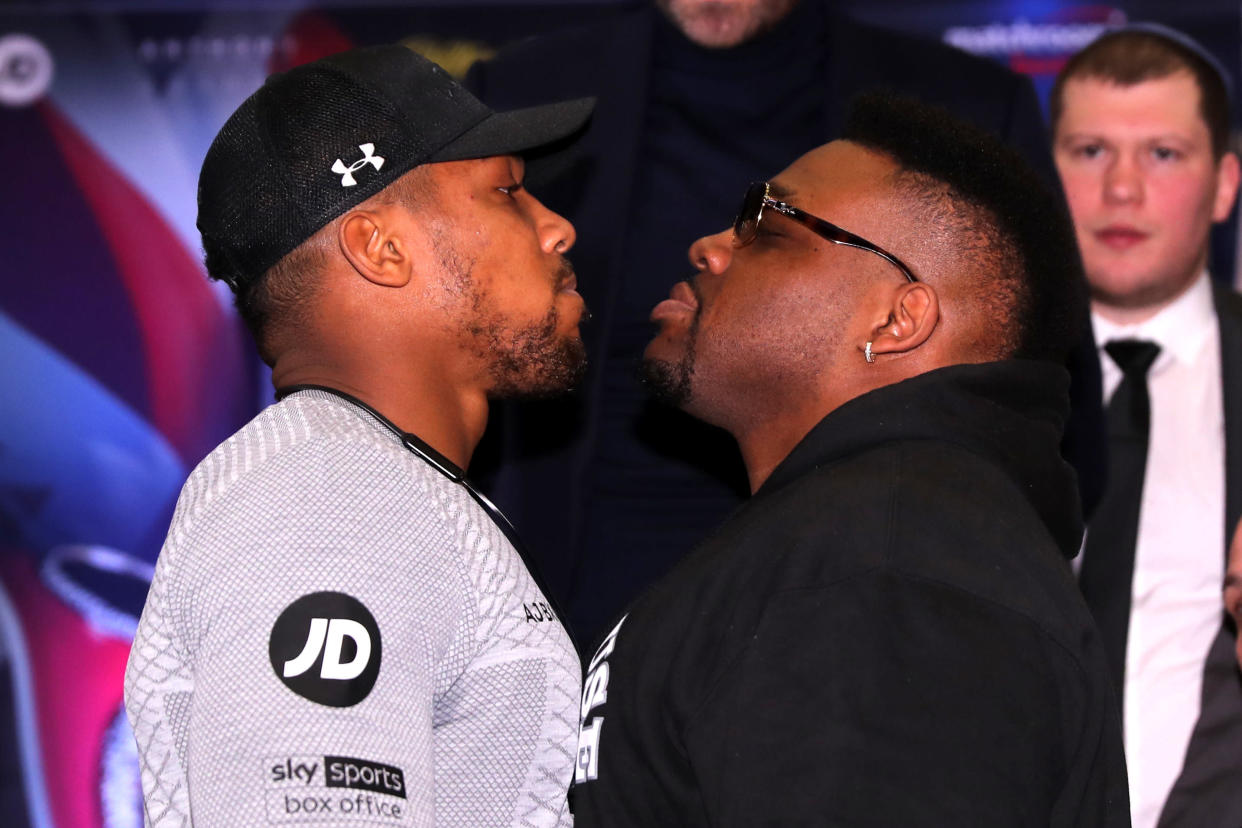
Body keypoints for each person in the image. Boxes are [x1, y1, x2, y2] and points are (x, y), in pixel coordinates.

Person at [467, 0, 1104, 648]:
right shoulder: (525, 93)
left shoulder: (961, 104)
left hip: (871, 601)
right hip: (566, 595)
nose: (710, 248)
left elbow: (1048, 409)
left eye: (766, 229)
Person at [568, 92, 1129, 826]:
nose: (709, 245)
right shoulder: (871, 541)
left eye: (769, 224)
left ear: (898, 318)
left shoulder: (892, 562)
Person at [123, 45, 594, 826]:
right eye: (508, 192)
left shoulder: (362, 484)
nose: (558, 229)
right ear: (382, 249)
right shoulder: (326, 504)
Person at [1050, 24, 1242, 828]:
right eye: (1091, 151)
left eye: (1162, 154)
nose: (1121, 189)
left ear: (1225, 184)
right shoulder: (957, 393)